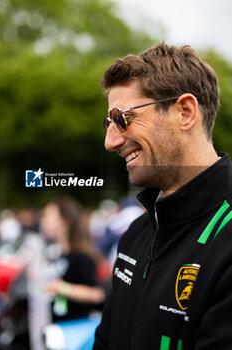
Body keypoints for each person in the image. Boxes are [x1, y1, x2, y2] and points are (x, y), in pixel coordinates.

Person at [93, 42, 232, 350]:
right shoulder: (136, 233)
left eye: (122, 118)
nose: (110, 141)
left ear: (185, 112)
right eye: (108, 122)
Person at [41, 197, 106, 322]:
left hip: (74, 330)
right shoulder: (57, 253)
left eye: (48, 216)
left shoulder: (80, 257)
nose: (43, 221)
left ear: (64, 222)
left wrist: (60, 288)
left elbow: (97, 294)